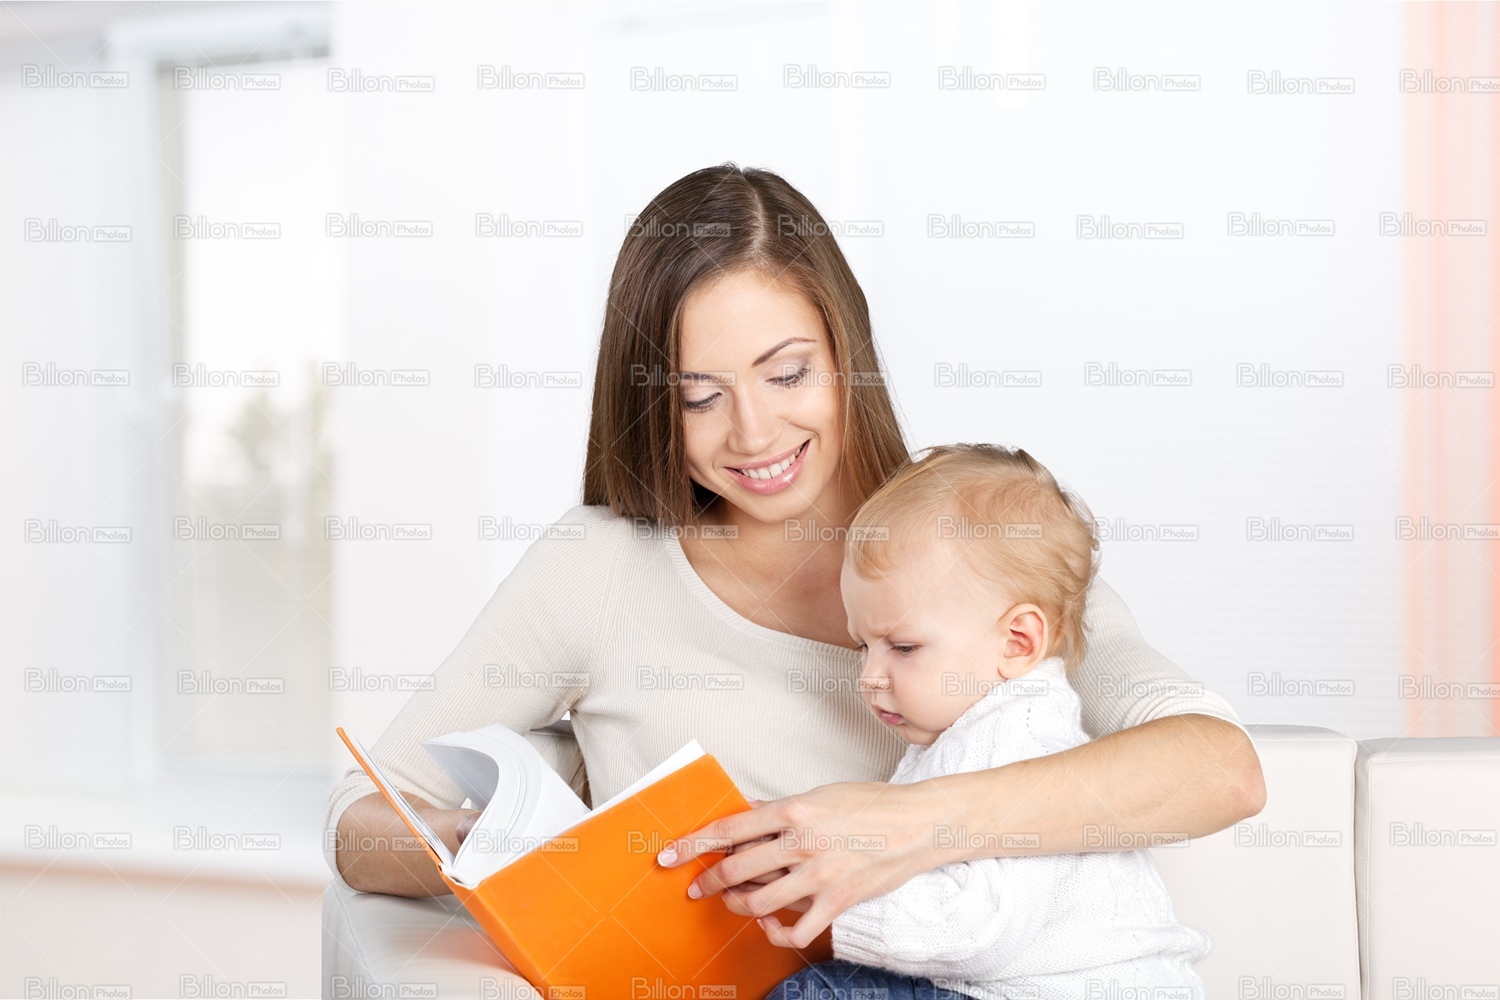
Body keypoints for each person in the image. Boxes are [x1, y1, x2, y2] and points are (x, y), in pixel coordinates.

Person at [326, 164, 1265, 969]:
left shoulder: (975, 536)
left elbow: (1219, 769)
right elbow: (359, 819)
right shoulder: (600, 567)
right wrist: (504, 846)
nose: (754, 433)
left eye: (787, 375)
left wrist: (902, 825)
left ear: (846, 354)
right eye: (700, 397)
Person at [767, 444, 1211, 1000]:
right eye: (863, 646)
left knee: (820, 991)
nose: (871, 677)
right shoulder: (964, 729)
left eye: (902, 647)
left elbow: (973, 933)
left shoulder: (1015, 736)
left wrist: (824, 905)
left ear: (1018, 641)